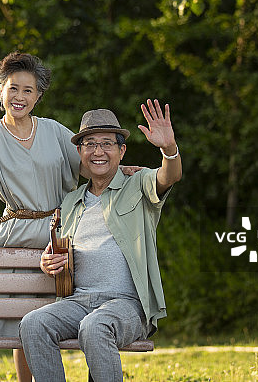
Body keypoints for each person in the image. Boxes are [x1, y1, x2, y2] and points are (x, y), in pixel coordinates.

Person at [0, 52, 142, 382]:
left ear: (38, 96)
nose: (19, 97)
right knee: (24, 321)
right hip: (19, 235)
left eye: (28, 90)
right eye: (13, 88)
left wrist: (119, 169)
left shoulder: (53, 130)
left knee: (74, 316)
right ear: (1, 91)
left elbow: (90, 164)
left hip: (62, 232)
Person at [19, 101, 182, 382]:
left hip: (127, 304)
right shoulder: (70, 202)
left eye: (107, 143)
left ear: (121, 151)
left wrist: (169, 149)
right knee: (34, 323)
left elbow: (170, 176)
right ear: (80, 152)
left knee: (94, 327)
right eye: (90, 144)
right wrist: (49, 262)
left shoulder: (138, 184)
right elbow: (62, 252)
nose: (98, 151)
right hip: (79, 301)